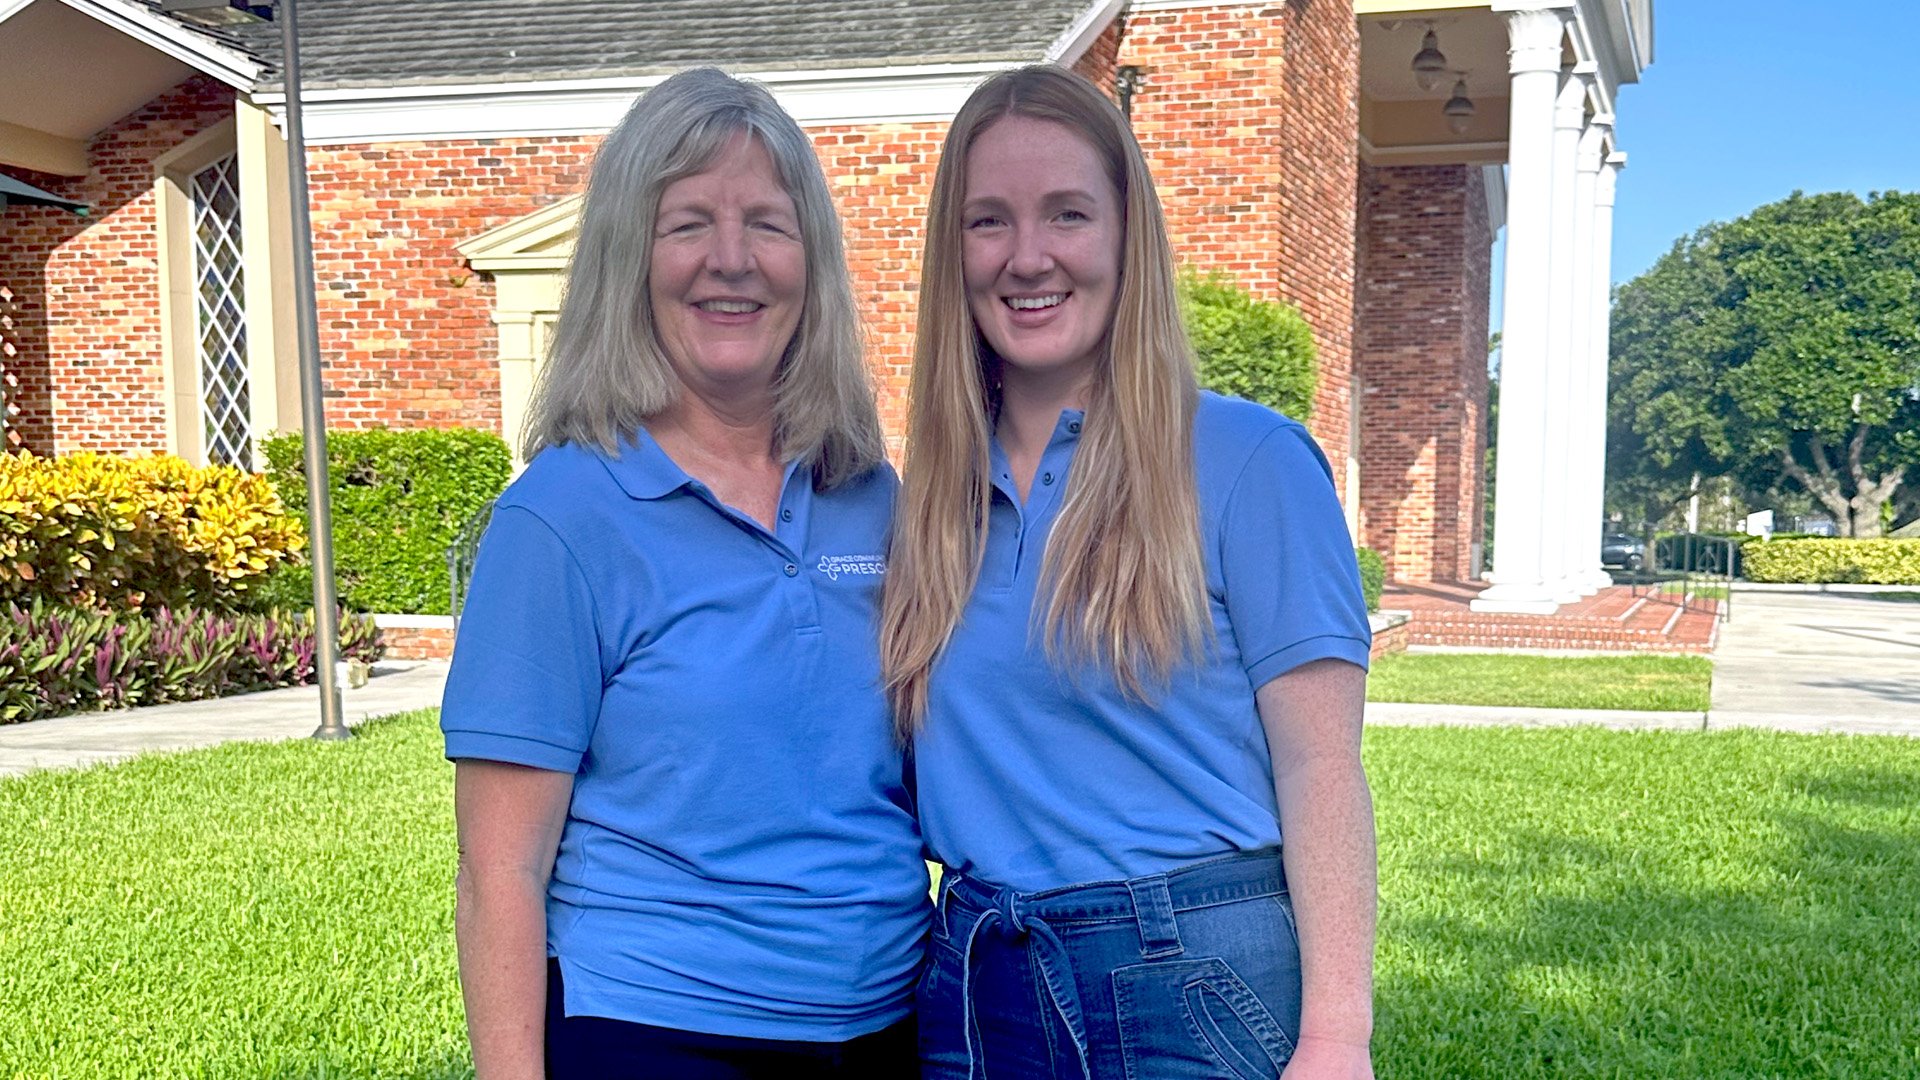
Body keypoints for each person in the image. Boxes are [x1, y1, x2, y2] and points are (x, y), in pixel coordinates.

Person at [880, 65, 1377, 1080]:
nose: (1029, 257)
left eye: (1068, 213)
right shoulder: (928, 498)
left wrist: (1338, 1037)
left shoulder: (1249, 462)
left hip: (1188, 978)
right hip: (972, 978)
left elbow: (1321, 767)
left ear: (1126, 235)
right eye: (988, 222)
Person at [441, 67, 927, 1079]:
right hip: (655, 1029)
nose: (732, 261)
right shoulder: (562, 519)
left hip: (892, 1022)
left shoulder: (872, 497)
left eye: (767, 224)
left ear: (814, 262)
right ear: (628, 258)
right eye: (688, 224)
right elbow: (501, 869)